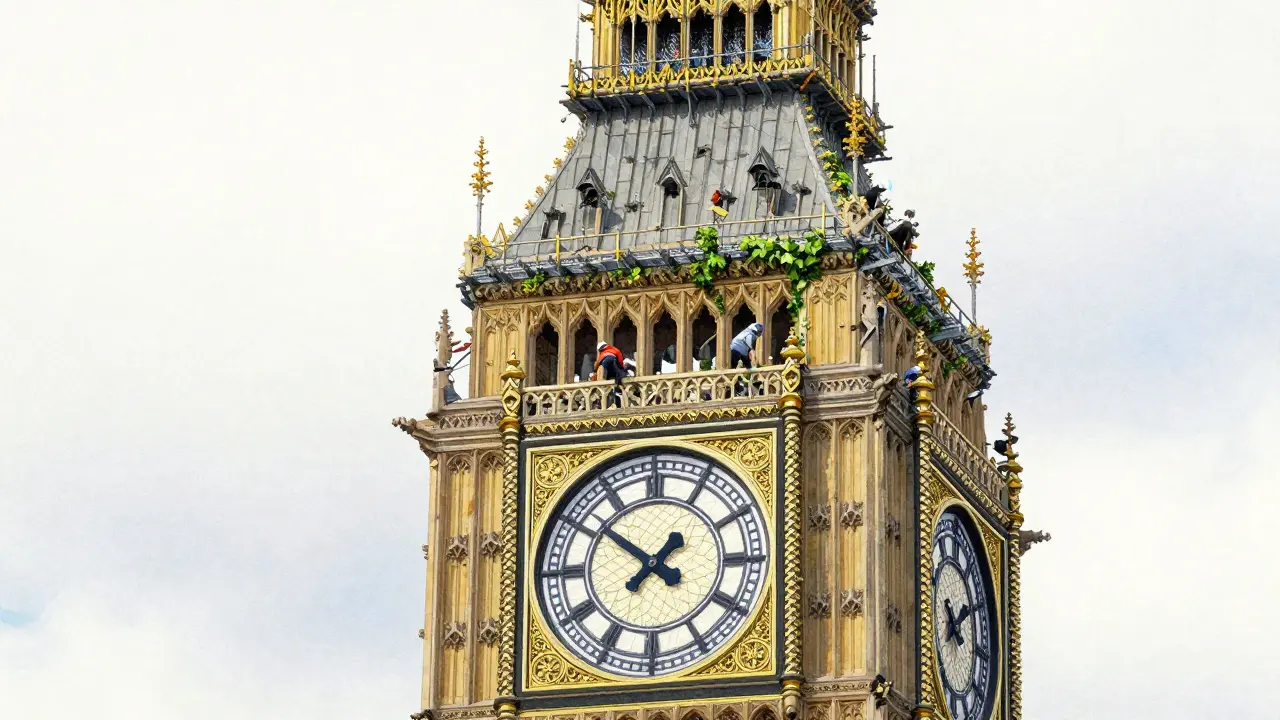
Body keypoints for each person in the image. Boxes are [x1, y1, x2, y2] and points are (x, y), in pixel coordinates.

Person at [593, 341, 627, 408]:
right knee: (617, 379)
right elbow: (620, 360)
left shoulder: (603, 353)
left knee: (607, 382)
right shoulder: (614, 350)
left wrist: (595, 371)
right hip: (614, 367)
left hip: (607, 367)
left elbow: (598, 364)